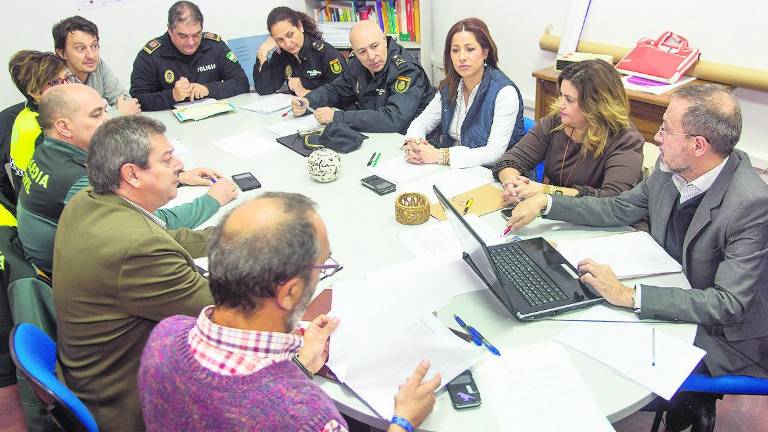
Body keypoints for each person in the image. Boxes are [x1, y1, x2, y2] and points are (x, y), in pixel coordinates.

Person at [506, 84, 768, 430]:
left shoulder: (750, 203)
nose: (656, 137)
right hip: (672, 286)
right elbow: (620, 207)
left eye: (666, 129)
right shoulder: (671, 166)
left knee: (604, 362)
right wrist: (548, 203)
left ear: (698, 145)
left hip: (724, 330)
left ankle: (690, 404)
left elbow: (728, 303)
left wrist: (629, 295)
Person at [139, 193, 441, 432]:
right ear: (290, 292)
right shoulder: (308, 419)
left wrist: (302, 365)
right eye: (323, 265)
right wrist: (403, 421)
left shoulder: (165, 335)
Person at [53, 115, 237, 431]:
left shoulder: (91, 199)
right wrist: (271, 261)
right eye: (167, 160)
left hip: (91, 372)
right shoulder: (138, 249)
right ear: (132, 175)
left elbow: (163, 237)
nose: (179, 164)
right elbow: (226, 313)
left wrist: (229, 236)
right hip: (123, 402)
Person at [16, 83, 236, 275]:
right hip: (79, 275)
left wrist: (178, 176)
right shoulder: (79, 182)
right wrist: (212, 200)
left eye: (104, 110)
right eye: (96, 115)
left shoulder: (47, 150)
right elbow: (156, 226)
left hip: (58, 261)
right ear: (64, 127)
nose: (107, 120)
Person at [494, 59, 643, 204]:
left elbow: (612, 199)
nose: (560, 104)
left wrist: (545, 192)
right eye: (561, 95)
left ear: (596, 104)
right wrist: (511, 185)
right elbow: (511, 160)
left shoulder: (626, 140)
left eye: (569, 99)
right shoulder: (555, 122)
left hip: (597, 223)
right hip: (553, 214)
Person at [402, 18, 523, 169]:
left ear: (485, 52)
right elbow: (421, 123)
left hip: (490, 174)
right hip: (450, 169)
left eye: (470, 49)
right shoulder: (449, 86)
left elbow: (494, 153)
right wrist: (415, 143)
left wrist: (439, 156)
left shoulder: (504, 92)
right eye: (455, 50)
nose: (461, 57)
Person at [291, 20, 433, 134]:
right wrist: (309, 102)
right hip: (377, 135)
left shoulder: (406, 70)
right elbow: (336, 90)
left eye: (374, 46)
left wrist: (337, 117)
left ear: (384, 39)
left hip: (411, 140)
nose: (371, 56)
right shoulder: (357, 64)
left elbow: (393, 119)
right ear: (354, 52)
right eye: (362, 51)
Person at [129, 1, 249, 111]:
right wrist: (172, 95)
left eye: (196, 35)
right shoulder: (151, 55)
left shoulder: (214, 46)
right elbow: (138, 99)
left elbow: (241, 83)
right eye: (183, 36)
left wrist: (208, 89)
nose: (191, 42)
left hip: (214, 118)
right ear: (170, 30)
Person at [7, 51, 73, 186]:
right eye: (55, 82)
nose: (66, 86)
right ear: (33, 91)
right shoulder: (45, 128)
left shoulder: (24, 114)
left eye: (66, 78)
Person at [52, 15, 142, 115]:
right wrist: (119, 114)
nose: (91, 55)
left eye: (94, 46)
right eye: (81, 48)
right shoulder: (55, 80)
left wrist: (104, 115)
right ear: (62, 53)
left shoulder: (98, 64)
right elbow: (77, 124)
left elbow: (127, 102)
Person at [254, 7, 346, 98]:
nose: (288, 44)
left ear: (300, 26)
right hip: (297, 111)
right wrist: (262, 53)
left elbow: (343, 95)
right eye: (280, 40)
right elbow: (265, 89)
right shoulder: (282, 55)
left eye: (290, 35)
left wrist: (305, 92)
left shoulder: (327, 54)